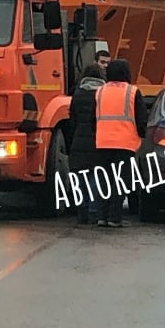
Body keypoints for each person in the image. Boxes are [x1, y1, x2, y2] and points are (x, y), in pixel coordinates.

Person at [94, 58, 147, 228]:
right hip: (125, 144)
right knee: (121, 181)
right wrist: (143, 135)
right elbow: (141, 118)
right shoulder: (132, 92)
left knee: (105, 181)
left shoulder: (100, 91)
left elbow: (92, 118)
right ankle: (114, 218)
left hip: (102, 143)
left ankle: (101, 217)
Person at [68, 63, 107, 226]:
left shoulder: (77, 93)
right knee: (95, 176)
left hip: (78, 138)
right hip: (97, 139)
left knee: (81, 177)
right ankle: (93, 211)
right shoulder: (103, 94)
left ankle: (81, 211)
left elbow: (72, 118)